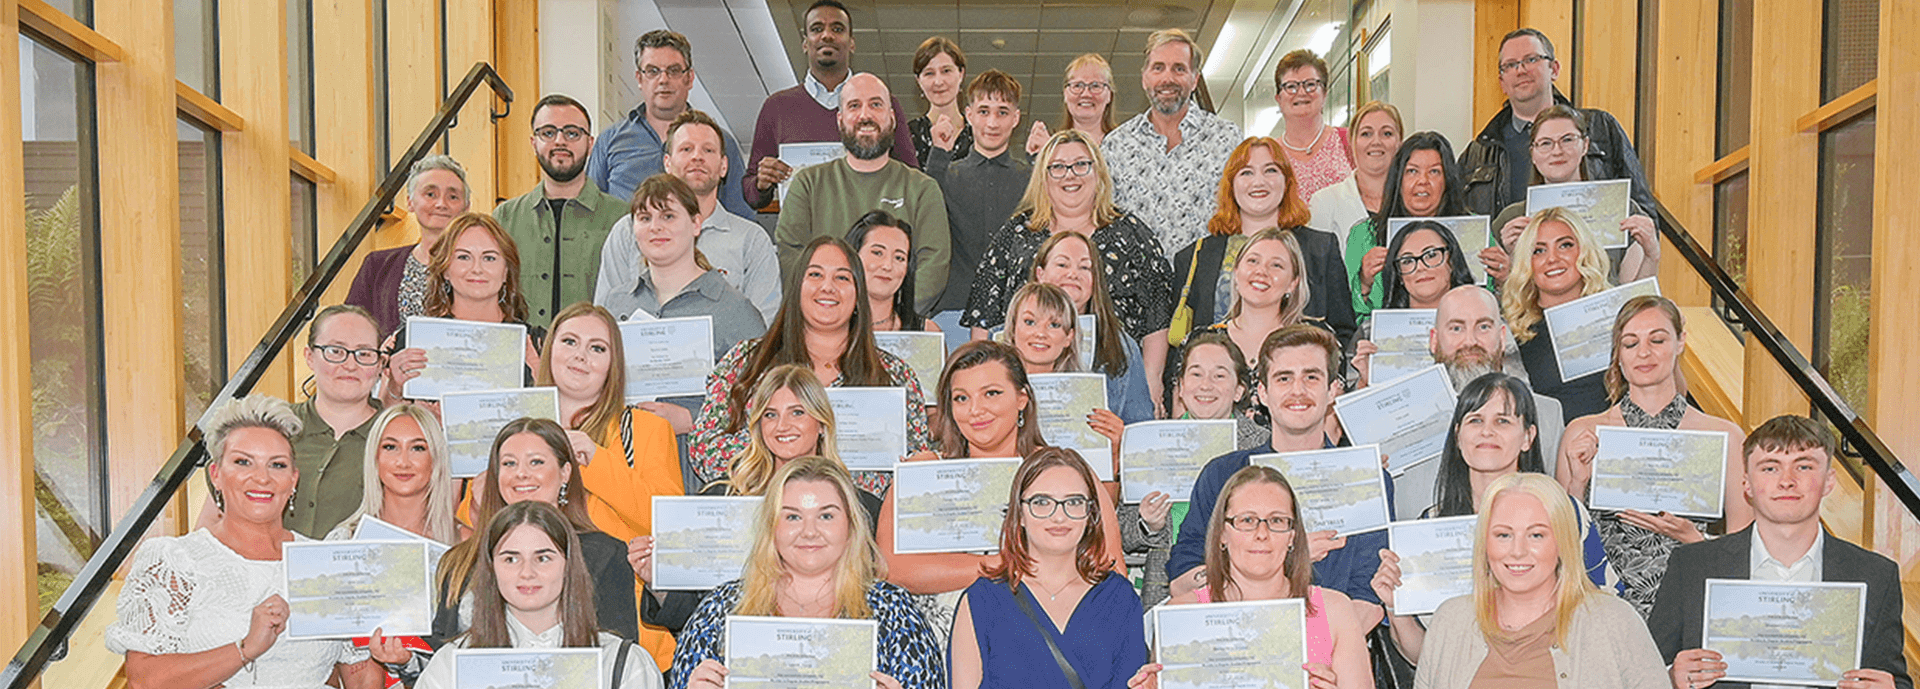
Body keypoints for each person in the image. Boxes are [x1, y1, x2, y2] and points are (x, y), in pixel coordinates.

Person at [107, 396, 384, 689]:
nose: (261, 478)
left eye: (276, 465)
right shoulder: (175, 560)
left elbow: (359, 670)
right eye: (243, 462)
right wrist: (245, 649)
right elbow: (145, 679)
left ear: (293, 479)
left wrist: (385, 652)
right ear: (216, 474)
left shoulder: (326, 562)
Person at [875, 340, 1124, 650]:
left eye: (991, 393)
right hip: (934, 645)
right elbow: (890, 568)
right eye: (961, 398)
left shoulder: (1066, 473)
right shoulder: (922, 471)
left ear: (1022, 398)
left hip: (1049, 641)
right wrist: (1002, 564)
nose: (975, 410)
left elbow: (1111, 570)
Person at [1649, 415, 1912, 689]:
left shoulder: (1875, 575)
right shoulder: (1692, 567)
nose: (1787, 481)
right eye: (1770, 468)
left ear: (1829, 481)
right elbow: (1643, 670)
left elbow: (1897, 678)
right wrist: (1670, 677)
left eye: (1804, 466)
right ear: (1747, 484)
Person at [1370, 373, 1616, 665]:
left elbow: (1605, 618)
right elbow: (1427, 661)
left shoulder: (1566, 513)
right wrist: (1396, 608)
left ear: (1528, 437)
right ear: (1459, 436)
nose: (1487, 431)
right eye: (1476, 420)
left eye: (1502, 421)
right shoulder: (1430, 527)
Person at [1167, 325, 1389, 626]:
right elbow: (1181, 581)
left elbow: (1367, 600)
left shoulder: (1366, 480)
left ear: (1333, 390)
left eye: (1311, 377)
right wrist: (1286, 556)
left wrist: (1304, 658)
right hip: (1231, 643)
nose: (1298, 390)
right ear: (1262, 393)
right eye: (1284, 378)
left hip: (1327, 661)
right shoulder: (1222, 475)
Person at [667, 456, 945, 689]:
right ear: (771, 527)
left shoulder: (894, 610)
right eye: (792, 516)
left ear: (851, 526)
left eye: (826, 516)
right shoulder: (721, 607)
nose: (809, 531)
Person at [689, 236, 934, 496]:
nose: (827, 287)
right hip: (761, 514)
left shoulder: (895, 374)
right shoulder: (745, 361)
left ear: (858, 295)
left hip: (864, 521)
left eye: (842, 278)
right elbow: (704, 448)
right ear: (796, 287)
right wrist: (783, 446)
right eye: (815, 274)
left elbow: (913, 464)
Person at [1557, 296, 1751, 617]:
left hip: (1690, 600)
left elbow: (1743, 549)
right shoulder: (1584, 432)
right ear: (1618, 354)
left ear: (1680, 342)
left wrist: (1694, 538)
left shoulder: (1725, 436)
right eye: (1630, 343)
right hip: (1599, 606)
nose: (1644, 353)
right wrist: (1578, 482)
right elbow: (1560, 543)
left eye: (1657, 340)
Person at [963, 129, 1173, 408]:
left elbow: (1157, 314)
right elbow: (984, 311)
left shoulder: (1130, 233)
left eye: (1081, 165)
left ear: (1098, 173)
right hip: (1023, 376)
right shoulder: (1017, 232)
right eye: (1058, 167)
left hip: (1114, 376)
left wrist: (1150, 383)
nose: (1070, 175)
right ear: (1043, 178)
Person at [534, 302, 687, 663]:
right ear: (549, 350)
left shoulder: (648, 429)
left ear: (613, 364)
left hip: (632, 641)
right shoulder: (520, 429)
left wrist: (595, 460)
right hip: (535, 630)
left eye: (597, 348)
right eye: (569, 341)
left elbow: (670, 528)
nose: (580, 356)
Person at [1412, 472, 1666, 689]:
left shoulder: (1613, 621)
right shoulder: (1451, 621)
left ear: (1562, 541)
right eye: (1503, 535)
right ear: (1484, 542)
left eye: (1536, 535)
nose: (1518, 551)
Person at [1129, 465, 1370, 689]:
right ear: (1222, 533)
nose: (1262, 533)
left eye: (1276, 520)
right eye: (1247, 520)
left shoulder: (1335, 610)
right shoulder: (1182, 614)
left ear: (1292, 536)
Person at [394, 501, 662, 689]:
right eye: (511, 559)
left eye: (543, 558)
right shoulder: (451, 663)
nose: (527, 572)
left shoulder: (624, 662)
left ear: (570, 565)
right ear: (491, 568)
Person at [1356, 285, 1564, 518]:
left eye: (1483, 327)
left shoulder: (1548, 413)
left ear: (1503, 337)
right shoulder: (1392, 419)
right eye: (1456, 328)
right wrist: (1365, 395)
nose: (1470, 341)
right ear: (1434, 341)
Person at [950, 448, 1147, 689]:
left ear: (1090, 514)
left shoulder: (1119, 599)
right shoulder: (981, 601)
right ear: (1019, 514)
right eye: (1041, 502)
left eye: (1073, 502)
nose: (1059, 516)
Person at [433, 419, 640, 648]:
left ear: (565, 473)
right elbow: (441, 652)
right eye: (509, 463)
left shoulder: (606, 554)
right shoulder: (460, 561)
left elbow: (616, 654)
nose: (521, 473)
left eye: (536, 462)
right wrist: (407, 662)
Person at [772, 72, 951, 316]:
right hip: (825, 323)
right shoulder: (807, 183)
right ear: (840, 119)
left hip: (894, 327)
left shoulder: (922, 188)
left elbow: (935, 262)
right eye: (854, 106)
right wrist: (832, 314)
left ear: (892, 118)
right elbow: (791, 256)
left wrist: (888, 316)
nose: (865, 115)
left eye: (875, 105)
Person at [1168, 136, 1356, 350]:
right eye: (1246, 172)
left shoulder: (1320, 250)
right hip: (1216, 380)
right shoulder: (1195, 257)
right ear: (1231, 185)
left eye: (1271, 171)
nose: (1259, 182)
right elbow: (1181, 347)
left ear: (1287, 182)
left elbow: (1343, 333)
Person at [597, 109, 783, 323]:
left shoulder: (752, 241)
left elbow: (763, 327)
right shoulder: (629, 231)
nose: (697, 157)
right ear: (667, 163)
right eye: (686, 149)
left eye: (708, 150)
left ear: (724, 166)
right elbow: (604, 318)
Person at [1124, 331, 1266, 607]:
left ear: (1239, 390)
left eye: (1220, 375)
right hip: (1167, 588)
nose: (1206, 385)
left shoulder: (1262, 446)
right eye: (1196, 374)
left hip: (1248, 588)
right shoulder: (1149, 442)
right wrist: (1147, 523)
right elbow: (1122, 530)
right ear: (1180, 386)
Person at [1459, 28, 1654, 217]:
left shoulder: (1600, 127)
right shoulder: (1477, 153)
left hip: (1592, 250)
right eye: (1510, 65)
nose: (1521, 70)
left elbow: (1642, 209)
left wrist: (1646, 247)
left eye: (1531, 59)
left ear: (1554, 69)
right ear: (1502, 82)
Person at [746, 0, 918, 209]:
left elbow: (912, 179)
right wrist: (761, 183)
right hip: (803, 236)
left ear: (851, 43)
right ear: (805, 43)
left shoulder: (883, 104)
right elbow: (751, 195)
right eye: (817, 29)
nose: (827, 35)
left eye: (837, 29)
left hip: (869, 234)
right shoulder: (776, 107)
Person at [1481, 105, 1661, 286]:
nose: (1557, 151)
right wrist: (1513, 257)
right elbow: (1502, 300)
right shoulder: (1511, 219)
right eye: (1545, 143)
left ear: (1586, 146)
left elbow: (1635, 299)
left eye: (1567, 140)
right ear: (1533, 154)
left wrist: (1651, 254)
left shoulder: (1621, 209)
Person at [1101, 29, 1244, 258]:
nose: (1167, 78)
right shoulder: (1115, 146)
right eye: (1158, 68)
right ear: (1145, 78)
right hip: (1139, 287)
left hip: (1206, 283)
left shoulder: (1227, 139)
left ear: (1194, 79)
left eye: (1179, 69)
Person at [594, 173, 766, 362]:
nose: (655, 227)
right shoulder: (616, 304)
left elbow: (760, 387)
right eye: (644, 218)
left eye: (668, 216)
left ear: (696, 224)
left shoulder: (736, 311)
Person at [493, 94, 629, 330]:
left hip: (596, 357)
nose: (560, 141)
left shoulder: (623, 219)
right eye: (548, 132)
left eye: (572, 133)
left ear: (590, 143)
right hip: (524, 359)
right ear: (533, 142)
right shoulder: (505, 218)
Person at [587, 29, 756, 219]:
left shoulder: (719, 142)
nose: (663, 80)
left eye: (674, 71)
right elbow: (591, 213)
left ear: (689, 78)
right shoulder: (609, 141)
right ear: (639, 79)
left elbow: (740, 216)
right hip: (627, 246)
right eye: (652, 71)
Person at [690, 363, 883, 527]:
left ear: (822, 424)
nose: (782, 426)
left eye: (797, 412)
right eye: (770, 415)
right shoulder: (721, 498)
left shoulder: (862, 509)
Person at [381, 213, 543, 404]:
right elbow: (387, 421)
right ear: (446, 269)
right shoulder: (413, 339)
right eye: (464, 257)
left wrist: (542, 380)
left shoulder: (539, 344)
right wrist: (395, 387)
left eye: (489, 258)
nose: (477, 268)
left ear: (506, 270)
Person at [925, 69, 1030, 349]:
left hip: (1016, 315)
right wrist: (938, 154)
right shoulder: (945, 174)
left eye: (1002, 112)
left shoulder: (1031, 179)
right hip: (953, 314)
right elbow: (923, 220)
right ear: (968, 115)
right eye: (984, 111)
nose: (992, 122)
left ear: (1016, 118)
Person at [1501, 206, 1615, 422]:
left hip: (1614, 445)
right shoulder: (1513, 337)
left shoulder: (1619, 319)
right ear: (1527, 263)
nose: (1552, 258)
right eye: (1539, 250)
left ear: (1584, 252)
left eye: (1565, 245)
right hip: (1546, 451)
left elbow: (1669, 394)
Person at [1026, 232, 1153, 422]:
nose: (1073, 274)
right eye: (1062, 264)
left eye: (1085, 267)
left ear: (1096, 281)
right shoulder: (1003, 338)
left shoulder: (1123, 347)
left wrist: (1121, 438)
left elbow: (1139, 425)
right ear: (1040, 274)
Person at [1346, 131, 1471, 317]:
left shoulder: (1473, 230)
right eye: (1412, 171)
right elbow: (1346, 318)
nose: (1423, 181)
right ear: (1398, 179)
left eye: (1434, 172)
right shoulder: (1364, 235)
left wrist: (1503, 277)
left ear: (1447, 180)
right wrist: (1364, 282)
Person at [286, 305, 385, 539]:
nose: (350, 365)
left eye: (364, 354)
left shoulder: (396, 438)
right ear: (310, 357)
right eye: (335, 351)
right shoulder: (273, 428)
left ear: (380, 364)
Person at [346, 155, 471, 337]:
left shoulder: (486, 268)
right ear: (410, 202)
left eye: (453, 197)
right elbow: (350, 330)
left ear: (466, 207)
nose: (441, 204)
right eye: (430, 194)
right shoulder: (377, 266)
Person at [325, 403, 467, 544]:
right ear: (375, 457)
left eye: (417, 448)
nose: (403, 462)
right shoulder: (344, 540)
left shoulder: (465, 542)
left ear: (435, 458)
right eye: (390, 447)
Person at [1310, 101, 1402, 245]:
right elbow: (1315, 265)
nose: (1376, 141)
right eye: (1366, 134)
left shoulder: (1414, 200)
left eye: (1387, 133)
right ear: (1352, 142)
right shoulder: (1324, 203)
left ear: (1399, 142)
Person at [1271, 49, 1354, 205]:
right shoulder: (1269, 153)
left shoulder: (1350, 141)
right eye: (1291, 86)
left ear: (1324, 94)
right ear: (1279, 99)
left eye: (1310, 85)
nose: (1301, 92)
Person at [846, 210, 935, 332]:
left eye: (899, 258)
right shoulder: (826, 327)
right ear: (853, 255)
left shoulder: (927, 332)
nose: (888, 266)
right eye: (877, 253)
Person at [1024, 53, 1120, 155]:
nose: (1086, 94)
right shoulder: (1050, 145)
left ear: (1109, 95)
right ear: (1065, 94)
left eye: (1095, 86)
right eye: (1077, 85)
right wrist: (1043, 157)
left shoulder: (1125, 145)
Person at [907, 36, 971, 166]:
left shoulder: (980, 132)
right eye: (929, 73)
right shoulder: (907, 136)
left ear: (961, 74)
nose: (938, 82)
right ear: (919, 81)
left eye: (946, 71)